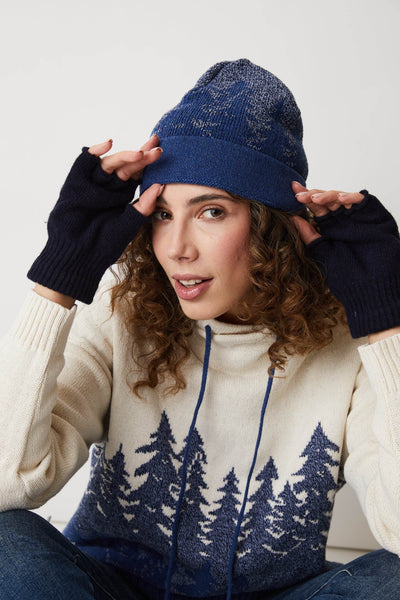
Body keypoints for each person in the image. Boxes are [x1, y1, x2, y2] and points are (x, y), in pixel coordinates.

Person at [0, 58, 400, 600]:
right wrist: (56, 280)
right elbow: (8, 482)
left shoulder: (349, 340)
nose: (177, 248)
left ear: (270, 223)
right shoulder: (122, 310)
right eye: (162, 214)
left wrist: (387, 325)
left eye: (211, 211)